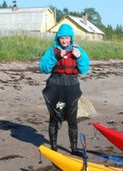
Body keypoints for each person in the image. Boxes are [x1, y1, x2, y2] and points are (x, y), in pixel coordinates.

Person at [39, 23, 91, 155]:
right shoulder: (52, 51)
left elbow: (84, 69)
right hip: (55, 87)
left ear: (71, 38)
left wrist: (79, 57)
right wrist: (55, 57)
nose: (65, 40)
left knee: (72, 120)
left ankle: (74, 149)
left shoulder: (78, 50)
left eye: (67, 38)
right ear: (58, 38)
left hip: (71, 87)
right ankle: (54, 148)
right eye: (62, 38)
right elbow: (44, 68)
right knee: (54, 118)